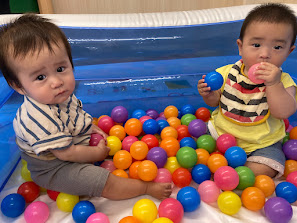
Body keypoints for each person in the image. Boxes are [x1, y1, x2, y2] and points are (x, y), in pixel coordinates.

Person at [0, 14, 172, 200]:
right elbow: (66, 154)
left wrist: (91, 127)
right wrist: (95, 153)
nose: (57, 82)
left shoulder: (57, 96)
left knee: (111, 146)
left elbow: (74, 114)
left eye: (60, 69)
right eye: (41, 77)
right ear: (18, 86)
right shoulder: (38, 118)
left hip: (69, 143)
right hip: (53, 166)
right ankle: (145, 188)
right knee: (102, 182)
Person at [198, 3, 297, 178]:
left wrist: (273, 84)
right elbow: (216, 103)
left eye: (277, 47)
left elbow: (283, 112)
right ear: (240, 46)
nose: (265, 54)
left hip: (262, 143)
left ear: (289, 51)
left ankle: (231, 177)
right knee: (198, 153)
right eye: (256, 44)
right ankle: (221, 171)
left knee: (266, 168)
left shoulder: (283, 81)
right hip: (220, 134)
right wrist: (210, 95)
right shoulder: (227, 73)